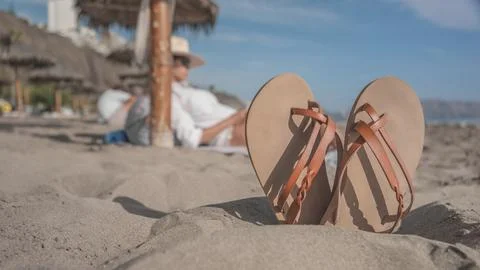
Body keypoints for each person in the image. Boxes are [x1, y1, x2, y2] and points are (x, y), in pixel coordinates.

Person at [125, 36, 247, 148]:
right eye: (185, 62)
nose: (188, 68)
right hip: (229, 131)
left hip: (236, 124)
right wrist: (234, 119)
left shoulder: (177, 91)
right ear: (170, 63)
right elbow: (192, 139)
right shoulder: (165, 98)